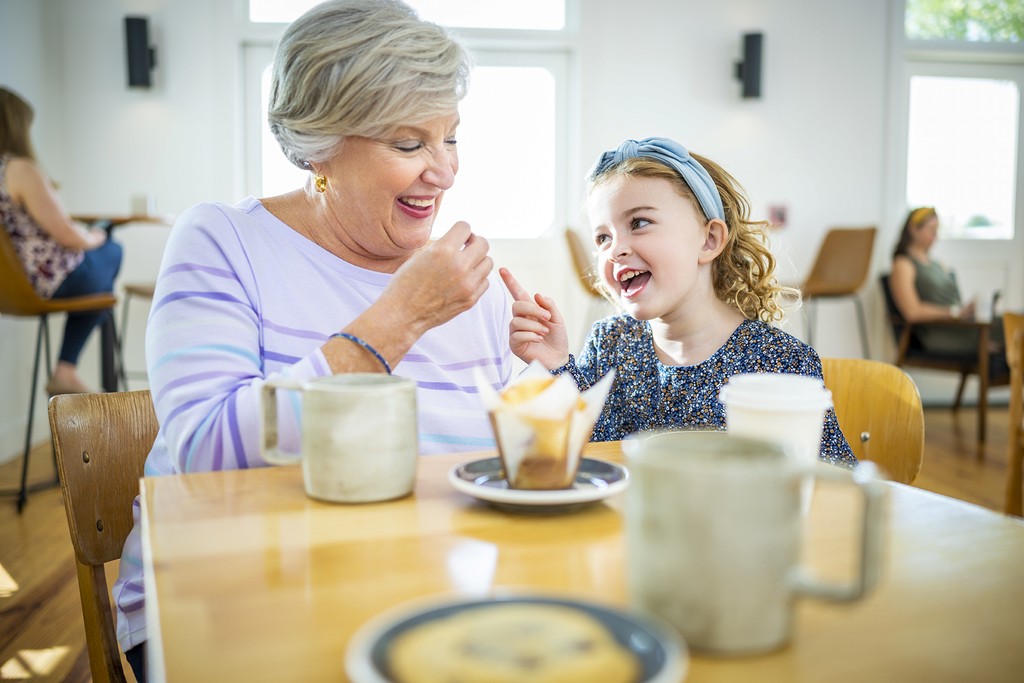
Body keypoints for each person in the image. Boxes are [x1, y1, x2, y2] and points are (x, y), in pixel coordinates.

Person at [110, 2, 513, 679]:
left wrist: (551, 373)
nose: (444, 171)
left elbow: (497, 463)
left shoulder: (475, 282)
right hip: (226, 595)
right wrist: (399, 319)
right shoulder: (223, 242)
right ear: (318, 144)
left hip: (426, 594)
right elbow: (206, 454)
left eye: (451, 138)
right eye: (409, 144)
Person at [500, 136, 854, 467]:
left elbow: (835, 480)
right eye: (603, 237)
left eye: (639, 222)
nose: (615, 249)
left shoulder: (779, 360)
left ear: (709, 240)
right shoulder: (610, 343)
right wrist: (556, 365)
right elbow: (584, 456)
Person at [0, 86, 123, 394]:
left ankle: (65, 372)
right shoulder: (18, 169)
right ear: (16, 126)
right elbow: (68, 235)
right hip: (50, 280)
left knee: (101, 282)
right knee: (112, 250)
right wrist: (96, 235)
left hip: (11, 287)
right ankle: (66, 370)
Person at [890, 206, 1004, 355]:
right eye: (931, 230)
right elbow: (912, 312)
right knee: (1011, 328)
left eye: (937, 231)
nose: (935, 236)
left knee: (1010, 321)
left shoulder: (937, 264)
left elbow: (954, 301)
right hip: (941, 332)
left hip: (962, 325)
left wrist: (969, 310)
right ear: (913, 229)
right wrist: (955, 312)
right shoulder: (903, 264)